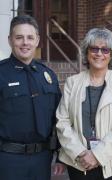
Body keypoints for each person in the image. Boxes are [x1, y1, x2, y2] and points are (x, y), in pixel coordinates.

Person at [56, 27, 112, 180]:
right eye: (94, 49)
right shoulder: (72, 83)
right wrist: (80, 152)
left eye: (105, 50)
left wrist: (98, 155)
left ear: (111, 54)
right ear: (87, 52)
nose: (99, 53)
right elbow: (62, 121)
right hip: (80, 163)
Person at [0, 15, 64, 180]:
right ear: (10, 40)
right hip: (7, 160)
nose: (25, 42)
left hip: (42, 160)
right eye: (19, 37)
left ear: (37, 40)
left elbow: (59, 118)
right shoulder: (1, 73)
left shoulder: (47, 75)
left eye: (30, 37)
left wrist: (60, 154)